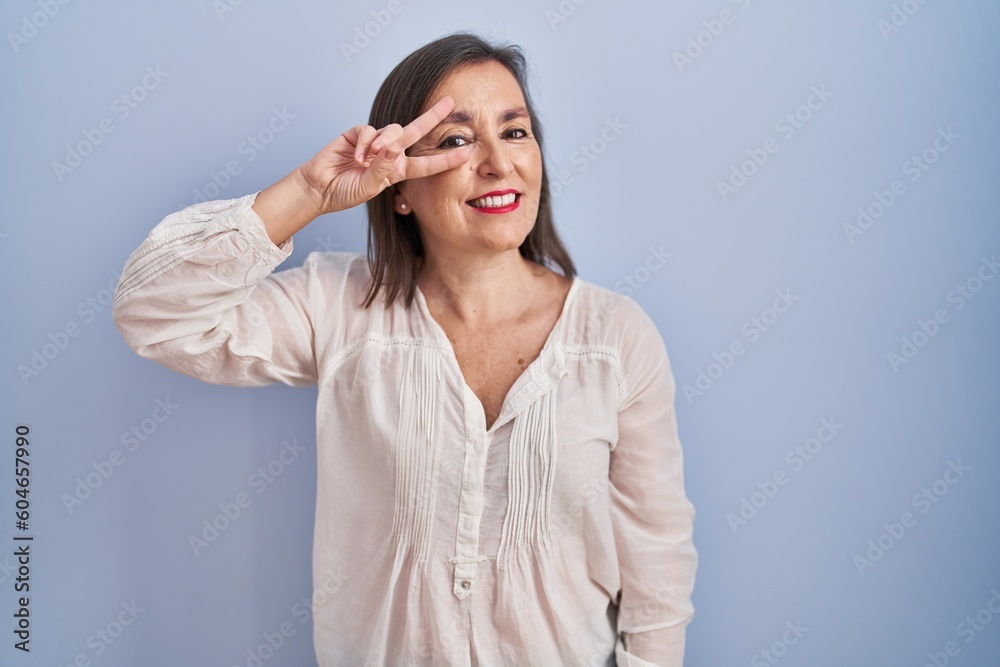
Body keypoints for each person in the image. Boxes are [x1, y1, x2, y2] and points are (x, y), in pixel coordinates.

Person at [112, 31, 697, 666]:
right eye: (455, 140)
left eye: (516, 131)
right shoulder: (340, 307)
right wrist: (309, 192)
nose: (498, 163)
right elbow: (153, 312)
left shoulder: (615, 337)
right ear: (399, 186)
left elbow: (657, 562)